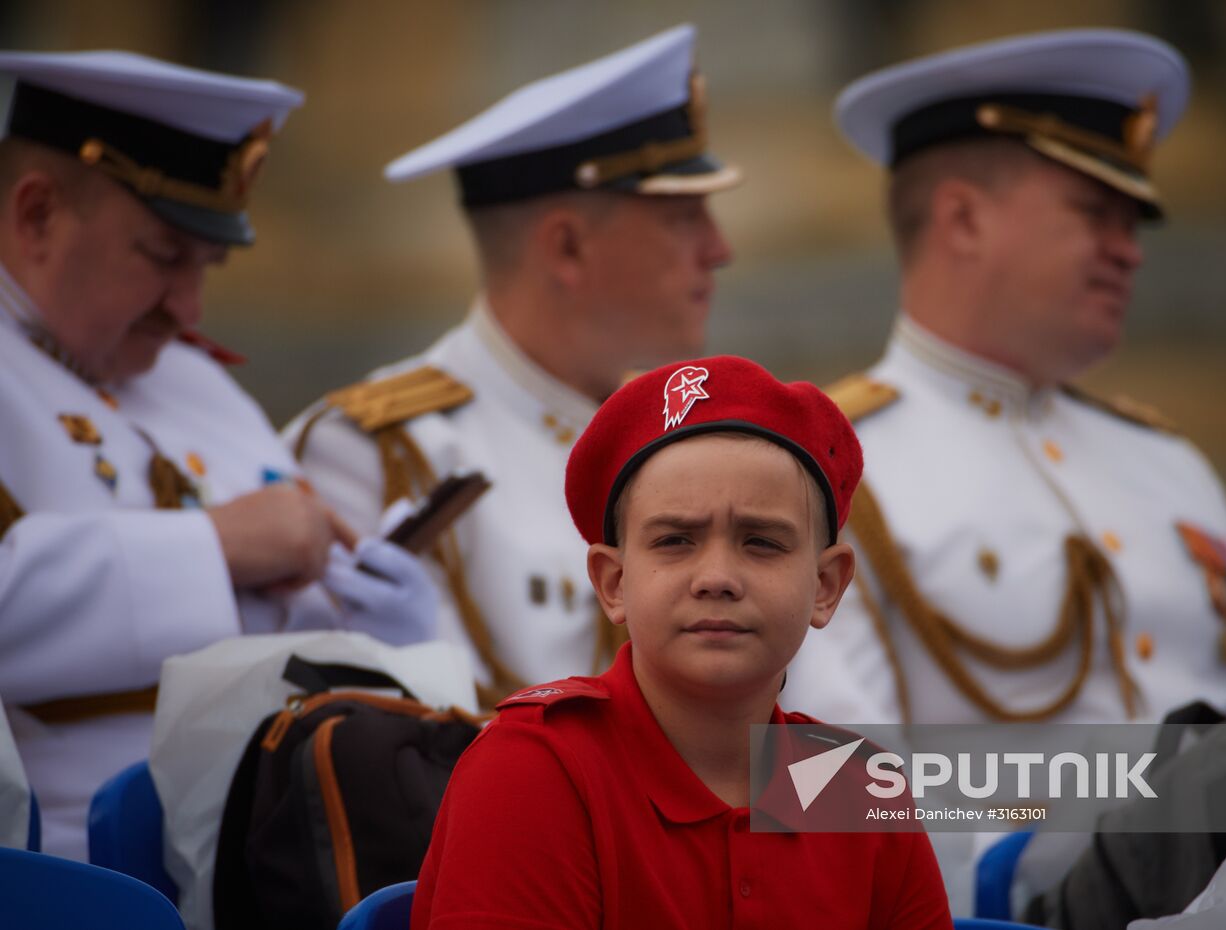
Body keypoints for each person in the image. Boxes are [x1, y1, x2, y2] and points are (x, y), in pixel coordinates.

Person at [779, 29, 1226, 914]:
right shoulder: (824, 465)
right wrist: (1074, 838)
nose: (1130, 248)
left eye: (1133, 220)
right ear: (962, 219)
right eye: (1094, 213)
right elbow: (819, 784)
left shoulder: (1168, 463)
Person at [0, 50, 436, 859]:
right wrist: (215, 548)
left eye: (207, 267)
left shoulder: (197, 384)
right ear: (36, 215)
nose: (189, 309)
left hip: (270, 854)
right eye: (163, 258)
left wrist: (381, 634)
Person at [412, 355, 953, 929]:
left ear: (825, 586)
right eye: (675, 540)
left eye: (762, 542)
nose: (716, 577)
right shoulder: (534, 770)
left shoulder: (859, 790)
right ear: (613, 584)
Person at [287, 24, 738, 706]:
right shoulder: (379, 452)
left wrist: (895, 807)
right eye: (684, 217)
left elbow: (810, 722)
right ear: (566, 249)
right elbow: (401, 773)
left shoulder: (699, 445)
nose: (719, 249)